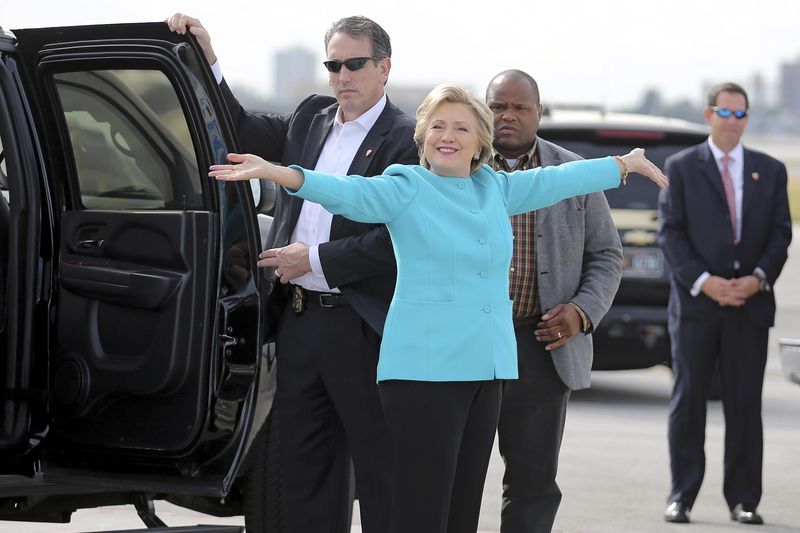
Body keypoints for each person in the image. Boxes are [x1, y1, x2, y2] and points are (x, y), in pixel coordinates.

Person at [209, 83, 668, 533]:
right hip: (423, 375)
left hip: (486, 371)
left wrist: (622, 165)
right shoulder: (406, 185)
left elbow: (557, 180)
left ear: (480, 143)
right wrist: (277, 172)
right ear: (424, 138)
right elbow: (345, 191)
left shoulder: (494, 187)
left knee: (462, 510)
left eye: (462, 129)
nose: (448, 136)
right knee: (420, 511)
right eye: (439, 126)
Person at [167, 14, 418, 533]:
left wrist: (319, 261)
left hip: (363, 326)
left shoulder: (407, 139)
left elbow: (400, 239)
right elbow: (239, 127)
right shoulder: (311, 118)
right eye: (333, 64)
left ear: (384, 67)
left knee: (381, 472)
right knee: (304, 470)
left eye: (355, 63)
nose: (342, 75)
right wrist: (207, 60)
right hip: (301, 321)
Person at [485, 70, 623, 533]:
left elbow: (607, 256)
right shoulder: (456, 169)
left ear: (538, 114)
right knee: (453, 474)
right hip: (467, 346)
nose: (507, 115)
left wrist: (582, 312)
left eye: (519, 107)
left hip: (540, 347)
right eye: (497, 105)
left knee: (533, 481)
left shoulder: (574, 174)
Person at [658, 82, 792, 525]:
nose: (732, 122)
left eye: (740, 115)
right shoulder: (680, 167)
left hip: (749, 308)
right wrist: (705, 282)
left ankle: (744, 499)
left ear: (747, 119)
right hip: (698, 305)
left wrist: (757, 280)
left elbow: (780, 234)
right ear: (709, 114)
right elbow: (670, 233)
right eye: (725, 113)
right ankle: (682, 495)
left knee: (744, 405)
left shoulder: (770, 170)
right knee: (689, 401)